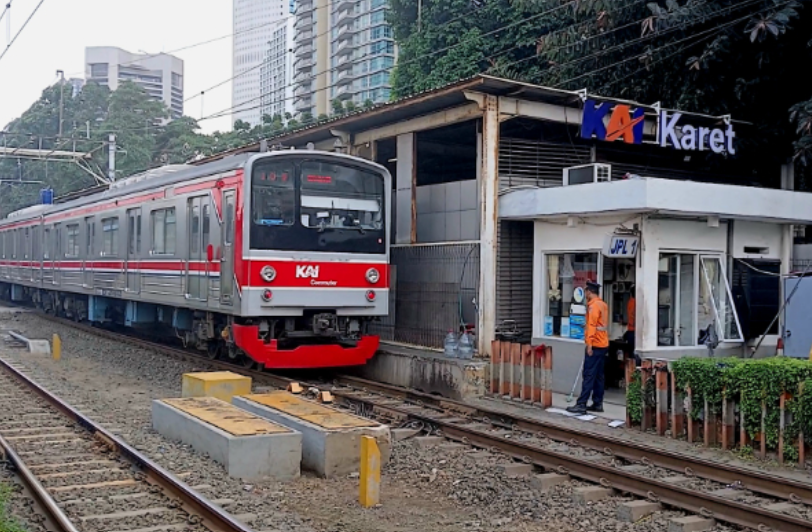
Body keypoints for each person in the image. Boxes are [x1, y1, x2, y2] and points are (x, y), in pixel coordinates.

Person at [567, 280, 609, 414]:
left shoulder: (593, 307)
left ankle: (581, 404)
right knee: (598, 376)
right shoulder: (603, 304)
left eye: (586, 291)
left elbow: (591, 326)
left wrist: (589, 345)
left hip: (595, 344)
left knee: (589, 374)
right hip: (603, 344)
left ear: (589, 292)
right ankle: (598, 403)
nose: (585, 294)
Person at [624, 285, 639, 365]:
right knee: (633, 355)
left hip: (630, 330)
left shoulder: (630, 302)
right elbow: (633, 316)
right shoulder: (635, 303)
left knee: (630, 354)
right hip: (634, 331)